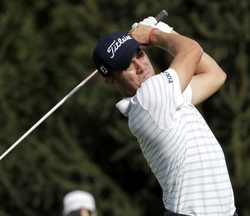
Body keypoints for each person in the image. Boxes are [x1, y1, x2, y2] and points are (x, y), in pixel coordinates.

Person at [92, 15, 237, 216]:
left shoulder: (167, 96)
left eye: (140, 54)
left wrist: (167, 32)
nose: (141, 66)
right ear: (112, 81)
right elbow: (192, 50)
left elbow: (215, 75)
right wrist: (155, 34)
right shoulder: (149, 99)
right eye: (127, 66)